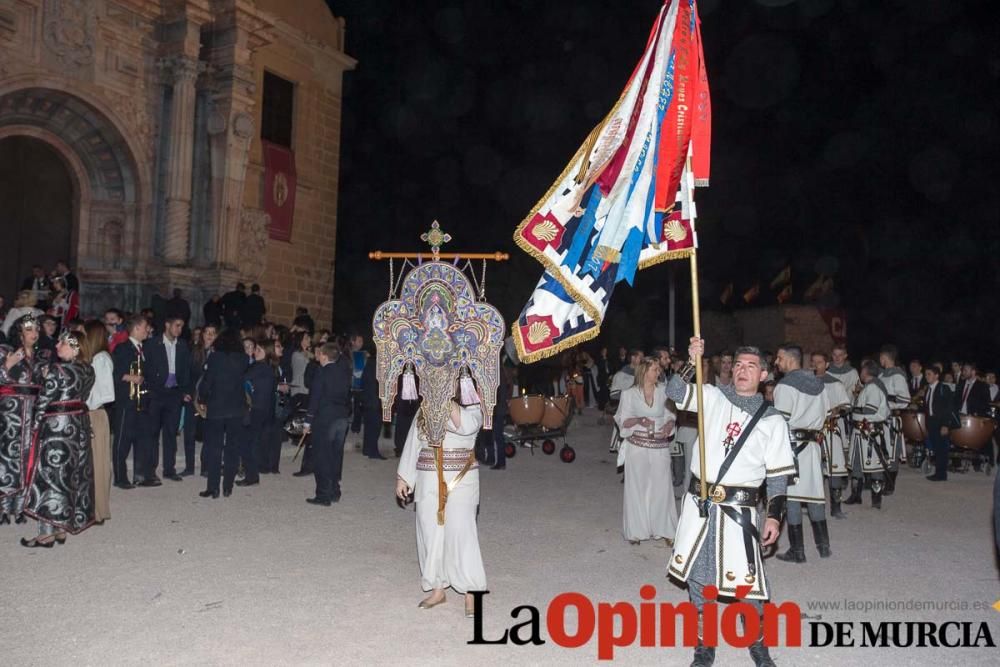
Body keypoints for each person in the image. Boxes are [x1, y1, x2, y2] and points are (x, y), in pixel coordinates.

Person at [666, 338, 793, 667]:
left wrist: (774, 518)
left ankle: (757, 644)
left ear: (764, 374)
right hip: (701, 506)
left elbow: (778, 478)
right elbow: (675, 393)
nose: (742, 370)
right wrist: (693, 361)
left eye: (751, 366)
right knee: (699, 576)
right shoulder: (712, 397)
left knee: (746, 584)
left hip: (739, 512)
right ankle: (704, 645)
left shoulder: (773, 421)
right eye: (738, 365)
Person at [396, 394, 487, 617]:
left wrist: (445, 399)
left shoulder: (473, 403)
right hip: (427, 475)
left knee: (461, 532)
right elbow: (414, 441)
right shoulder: (425, 406)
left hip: (461, 477)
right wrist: (404, 477)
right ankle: (438, 589)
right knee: (429, 532)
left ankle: (471, 592)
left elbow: (467, 426)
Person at [20, 331, 95, 547]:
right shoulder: (88, 370)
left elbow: (43, 402)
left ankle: (46, 533)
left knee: (48, 477)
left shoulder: (57, 369)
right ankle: (62, 528)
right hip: (78, 427)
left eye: (62, 343)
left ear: (75, 347)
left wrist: (33, 427)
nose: (57, 346)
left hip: (55, 430)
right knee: (70, 475)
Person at [773, 344, 831, 563]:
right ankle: (823, 546)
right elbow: (825, 414)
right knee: (815, 494)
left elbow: (780, 421)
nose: (776, 363)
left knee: (793, 498)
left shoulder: (785, 386)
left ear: (790, 359)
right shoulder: (819, 385)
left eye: (779, 358)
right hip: (813, 447)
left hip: (792, 448)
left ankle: (798, 552)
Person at [614, 358, 678, 545]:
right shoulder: (629, 394)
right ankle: (636, 531)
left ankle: (664, 529)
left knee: (662, 488)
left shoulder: (664, 392)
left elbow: (671, 415)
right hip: (637, 446)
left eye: (658, 369)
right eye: (654, 369)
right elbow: (622, 419)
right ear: (643, 371)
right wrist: (638, 421)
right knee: (637, 488)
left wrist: (668, 425)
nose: (658, 373)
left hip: (659, 446)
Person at [0, 315, 49, 524]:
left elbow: (46, 388)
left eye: (36, 329)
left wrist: (48, 378)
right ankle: (3, 507)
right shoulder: (4, 351)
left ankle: (21, 507)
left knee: (28, 458)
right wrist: (8, 365)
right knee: (6, 457)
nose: (34, 333)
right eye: (29, 330)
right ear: (19, 333)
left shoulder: (42, 357)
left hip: (33, 412)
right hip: (10, 412)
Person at [198, 329, 250, 499]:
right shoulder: (243, 360)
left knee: (214, 447)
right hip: (236, 408)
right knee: (232, 449)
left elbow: (208, 381)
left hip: (217, 407)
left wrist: (202, 399)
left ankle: (213, 488)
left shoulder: (215, 358)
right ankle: (228, 486)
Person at [303, 341, 352, 506]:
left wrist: (308, 421)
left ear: (324, 355)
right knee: (335, 456)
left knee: (322, 456)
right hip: (341, 418)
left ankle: (323, 494)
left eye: (320, 354)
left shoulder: (321, 372)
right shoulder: (343, 372)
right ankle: (334, 491)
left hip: (325, 419)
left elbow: (315, 397)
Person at [144, 316, 192, 482]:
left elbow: (186, 370)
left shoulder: (183, 345)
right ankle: (150, 470)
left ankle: (169, 469)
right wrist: (150, 390)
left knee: (171, 432)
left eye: (182, 326)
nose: (179, 329)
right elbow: (147, 369)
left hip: (174, 393)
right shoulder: (152, 344)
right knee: (153, 432)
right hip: (157, 393)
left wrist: (185, 390)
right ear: (167, 324)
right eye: (177, 325)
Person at [111, 315, 156, 488]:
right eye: (145, 327)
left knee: (143, 439)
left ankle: (141, 475)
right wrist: (131, 377)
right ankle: (120, 478)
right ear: (136, 328)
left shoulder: (143, 348)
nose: (148, 330)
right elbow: (114, 374)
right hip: (126, 401)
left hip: (142, 401)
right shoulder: (122, 349)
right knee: (122, 441)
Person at [845, 360, 891, 509]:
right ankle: (856, 495)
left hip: (870, 432)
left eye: (862, 371)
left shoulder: (873, 388)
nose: (860, 374)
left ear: (866, 372)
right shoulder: (869, 387)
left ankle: (876, 499)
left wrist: (851, 409)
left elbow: (870, 410)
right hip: (860, 433)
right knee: (857, 464)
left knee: (875, 466)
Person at [81, 320, 114, 523]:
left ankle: (98, 510)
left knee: (98, 463)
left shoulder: (101, 359)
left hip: (95, 414)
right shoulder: (93, 357)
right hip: (90, 413)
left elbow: (107, 393)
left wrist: (87, 404)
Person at [812, 352, 851, 519]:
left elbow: (846, 406)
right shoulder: (807, 384)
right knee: (813, 470)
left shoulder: (835, 384)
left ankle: (836, 507)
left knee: (834, 470)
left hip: (830, 430)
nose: (816, 365)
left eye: (819, 362)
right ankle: (814, 507)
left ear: (826, 364)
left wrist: (835, 410)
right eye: (813, 362)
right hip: (812, 432)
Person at [239, 340, 276, 487]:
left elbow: (242, 378)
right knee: (251, 442)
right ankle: (252, 475)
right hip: (260, 408)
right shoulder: (263, 367)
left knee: (249, 442)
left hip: (256, 409)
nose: (255, 351)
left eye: (259, 349)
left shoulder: (260, 367)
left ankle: (251, 476)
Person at [184, 324, 217, 477]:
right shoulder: (194, 351)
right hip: (194, 396)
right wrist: (186, 392)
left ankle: (205, 466)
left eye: (213, 333)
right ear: (202, 335)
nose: (209, 336)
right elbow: (187, 374)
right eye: (207, 332)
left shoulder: (219, 354)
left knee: (209, 434)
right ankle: (189, 467)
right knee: (189, 433)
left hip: (211, 398)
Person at [878, 344, 910, 493]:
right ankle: (881, 479)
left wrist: (887, 401)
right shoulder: (881, 375)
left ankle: (890, 483)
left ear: (885, 357)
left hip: (891, 420)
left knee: (892, 451)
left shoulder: (898, 375)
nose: (880, 360)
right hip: (880, 418)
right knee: (881, 450)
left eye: (881, 357)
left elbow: (904, 399)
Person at [258, 339, 290, 475]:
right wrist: (278, 386)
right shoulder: (264, 365)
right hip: (266, 404)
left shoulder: (280, 365)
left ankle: (273, 465)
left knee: (276, 435)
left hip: (278, 404)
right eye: (278, 346)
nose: (281, 348)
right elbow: (261, 384)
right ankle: (264, 465)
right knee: (265, 435)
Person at [924, 365, 957, 482]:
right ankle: (938, 472)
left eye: (929, 374)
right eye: (926, 374)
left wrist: (945, 425)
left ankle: (941, 474)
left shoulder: (944, 388)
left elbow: (948, 408)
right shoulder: (928, 389)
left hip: (941, 423)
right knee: (936, 448)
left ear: (936, 375)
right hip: (932, 422)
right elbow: (927, 408)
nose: (926, 376)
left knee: (942, 449)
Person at [360, 350, 386, 459]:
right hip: (375, 400)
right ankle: (373, 451)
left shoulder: (370, 363)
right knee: (375, 427)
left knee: (369, 426)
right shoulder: (379, 365)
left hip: (368, 399)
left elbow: (363, 380)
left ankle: (367, 449)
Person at [349, 334, 368, 433]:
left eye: (362, 341)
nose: (361, 343)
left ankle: (355, 428)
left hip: (359, 386)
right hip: (348, 384)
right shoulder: (347, 353)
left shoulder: (364, 355)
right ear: (353, 342)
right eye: (359, 341)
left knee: (358, 408)